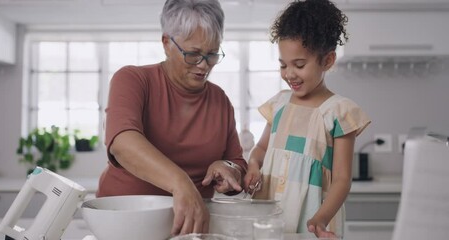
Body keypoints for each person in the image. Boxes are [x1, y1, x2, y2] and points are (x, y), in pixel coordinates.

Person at [96, 0, 247, 236]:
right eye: (193, 54)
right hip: (127, 224)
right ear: (167, 43)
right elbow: (122, 143)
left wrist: (228, 170)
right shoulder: (133, 79)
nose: (203, 65)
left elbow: (236, 162)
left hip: (192, 228)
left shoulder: (220, 100)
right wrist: (181, 184)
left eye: (212, 54)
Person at [243, 0, 371, 238]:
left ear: (328, 61)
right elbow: (261, 148)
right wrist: (253, 165)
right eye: (283, 65)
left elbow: (342, 180)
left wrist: (321, 218)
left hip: (313, 220)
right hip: (270, 221)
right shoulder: (278, 104)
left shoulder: (339, 112)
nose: (289, 73)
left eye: (299, 65)